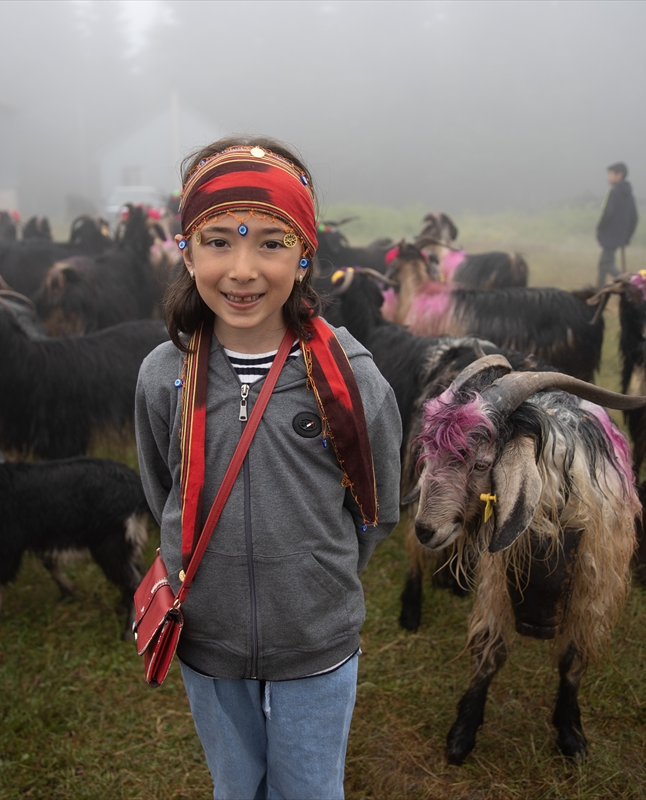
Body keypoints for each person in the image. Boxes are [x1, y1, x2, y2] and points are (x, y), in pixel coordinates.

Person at [134, 136, 402, 800]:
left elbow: (376, 510)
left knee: (310, 789)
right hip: (208, 640)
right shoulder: (164, 376)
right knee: (236, 787)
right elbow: (163, 490)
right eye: (218, 241)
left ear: (305, 254)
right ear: (186, 251)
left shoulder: (351, 379)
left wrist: (313, 575)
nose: (243, 269)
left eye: (271, 243)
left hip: (316, 645)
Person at [595, 161, 638, 286]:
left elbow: (608, 213)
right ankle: (599, 291)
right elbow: (634, 217)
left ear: (619, 175)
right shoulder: (629, 194)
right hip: (620, 235)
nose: (608, 177)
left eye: (610, 174)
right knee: (603, 265)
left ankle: (630, 283)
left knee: (606, 264)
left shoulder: (614, 192)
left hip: (610, 234)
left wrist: (600, 228)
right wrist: (627, 237)